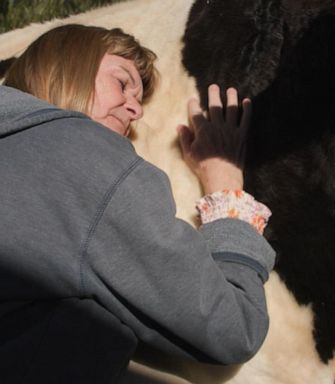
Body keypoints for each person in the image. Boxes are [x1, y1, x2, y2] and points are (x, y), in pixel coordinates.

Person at [0, 24, 275, 383]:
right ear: (68, 66)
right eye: (122, 82)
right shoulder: (87, 160)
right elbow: (233, 328)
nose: (136, 110)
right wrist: (226, 185)